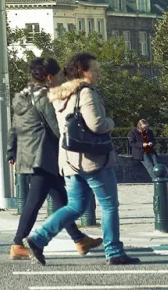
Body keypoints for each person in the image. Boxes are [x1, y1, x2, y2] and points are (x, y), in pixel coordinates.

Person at [23, 52, 140, 266]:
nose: (98, 74)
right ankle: (114, 251)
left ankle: (38, 238)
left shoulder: (61, 96)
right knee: (109, 205)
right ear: (81, 72)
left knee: (75, 206)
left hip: (69, 160)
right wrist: (110, 122)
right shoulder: (85, 93)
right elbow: (96, 124)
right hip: (92, 159)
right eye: (94, 70)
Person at [6, 58, 102, 260]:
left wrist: (11, 150)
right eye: (58, 76)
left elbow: (14, 126)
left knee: (61, 199)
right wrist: (75, 143)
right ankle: (17, 243)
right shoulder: (45, 97)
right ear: (49, 77)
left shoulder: (23, 95)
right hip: (43, 155)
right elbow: (57, 126)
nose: (60, 79)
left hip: (30, 154)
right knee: (34, 202)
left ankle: (79, 239)